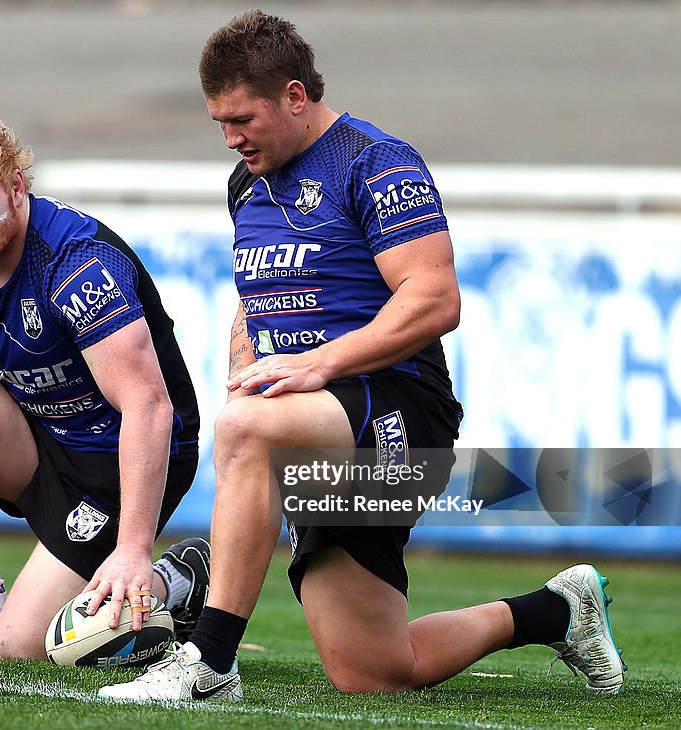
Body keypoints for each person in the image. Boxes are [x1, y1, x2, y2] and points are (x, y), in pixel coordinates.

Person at [99, 10, 625, 701]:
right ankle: (559, 609)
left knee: (247, 430)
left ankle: (210, 663)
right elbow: (255, 300)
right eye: (218, 124)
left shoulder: (378, 161)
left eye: (242, 120)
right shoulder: (247, 185)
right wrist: (242, 382)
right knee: (373, 671)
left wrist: (322, 366)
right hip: (315, 425)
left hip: (400, 416)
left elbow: (435, 298)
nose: (230, 139)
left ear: (295, 95)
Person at [0, 115, 209, 659]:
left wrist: (133, 549)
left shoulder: (78, 263)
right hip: (41, 441)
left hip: (123, 458)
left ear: (19, 188)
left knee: (22, 649)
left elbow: (149, 406)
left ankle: (179, 579)